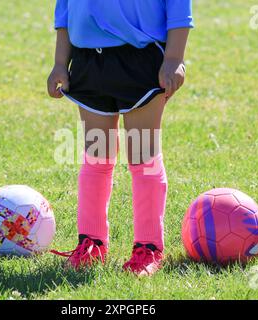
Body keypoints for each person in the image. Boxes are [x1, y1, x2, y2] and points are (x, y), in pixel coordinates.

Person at [47, 0, 193, 276]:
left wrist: (174, 58)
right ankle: (91, 243)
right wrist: (59, 63)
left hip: (141, 57)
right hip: (88, 60)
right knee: (96, 157)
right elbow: (65, 9)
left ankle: (148, 248)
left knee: (143, 157)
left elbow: (178, 6)